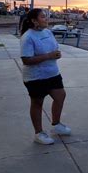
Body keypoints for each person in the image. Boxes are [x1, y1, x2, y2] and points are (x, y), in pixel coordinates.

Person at [20, 8, 71, 145]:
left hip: (52, 73)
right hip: (35, 77)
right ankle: (39, 133)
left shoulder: (48, 32)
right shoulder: (27, 37)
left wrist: (56, 54)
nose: (46, 19)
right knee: (37, 103)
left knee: (60, 96)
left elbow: (53, 48)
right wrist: (48, 56)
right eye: (43, 17)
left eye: (46, 16)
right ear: (34, 21)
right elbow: (26, 60)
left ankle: (56, 124)